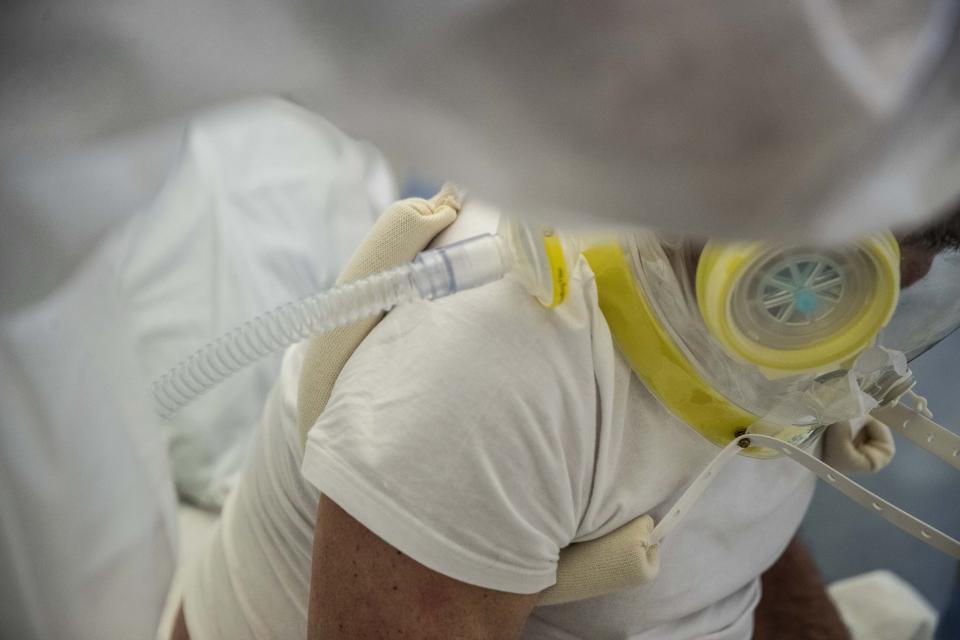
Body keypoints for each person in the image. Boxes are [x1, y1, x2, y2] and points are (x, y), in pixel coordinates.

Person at [169, 188, 959, 639]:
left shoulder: (780, 323)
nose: (882, 296)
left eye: (930, 253)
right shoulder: (492, 363)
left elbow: (717, 513)